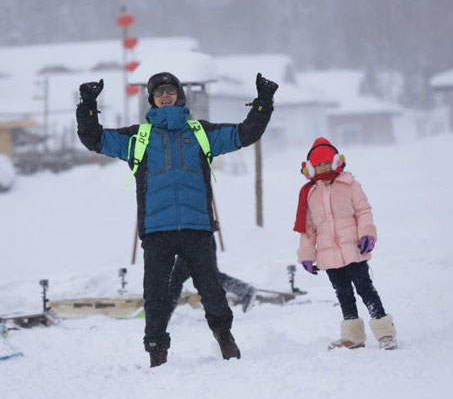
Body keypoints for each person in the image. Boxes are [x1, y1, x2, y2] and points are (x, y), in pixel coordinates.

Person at [76, 71, 278, 367]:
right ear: (153, 100)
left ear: (179, 95)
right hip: (157, 231)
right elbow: (94, 139)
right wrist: (87, 104)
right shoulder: (138, 138)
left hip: (197, 228)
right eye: (159, 93)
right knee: (155, 294)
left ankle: (225, 338)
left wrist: (263, 102)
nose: (165, 96)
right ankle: (157, 352)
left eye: (170, 91)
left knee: (211, 289)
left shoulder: (200, 133)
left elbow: (245, 134)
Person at [294, 137, 398, 350]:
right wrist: (306, 255)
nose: (323, 167)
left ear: (335, 162)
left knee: (365, 289)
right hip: (328, 254)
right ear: (311, 168)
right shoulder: (310, 193)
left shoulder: (350, 184)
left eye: (326, 163)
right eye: (318, 164)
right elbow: (308, 229)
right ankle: (353, 337)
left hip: (353, 249)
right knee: (343, 293)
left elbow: (363, 211)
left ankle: (385, 333)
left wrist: (367, 233)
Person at [169, 237, 257, 314]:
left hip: (195, 239)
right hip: (201, 237)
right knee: (208, 276)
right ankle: (245, 290)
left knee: (176, 279)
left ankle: (162, 315)